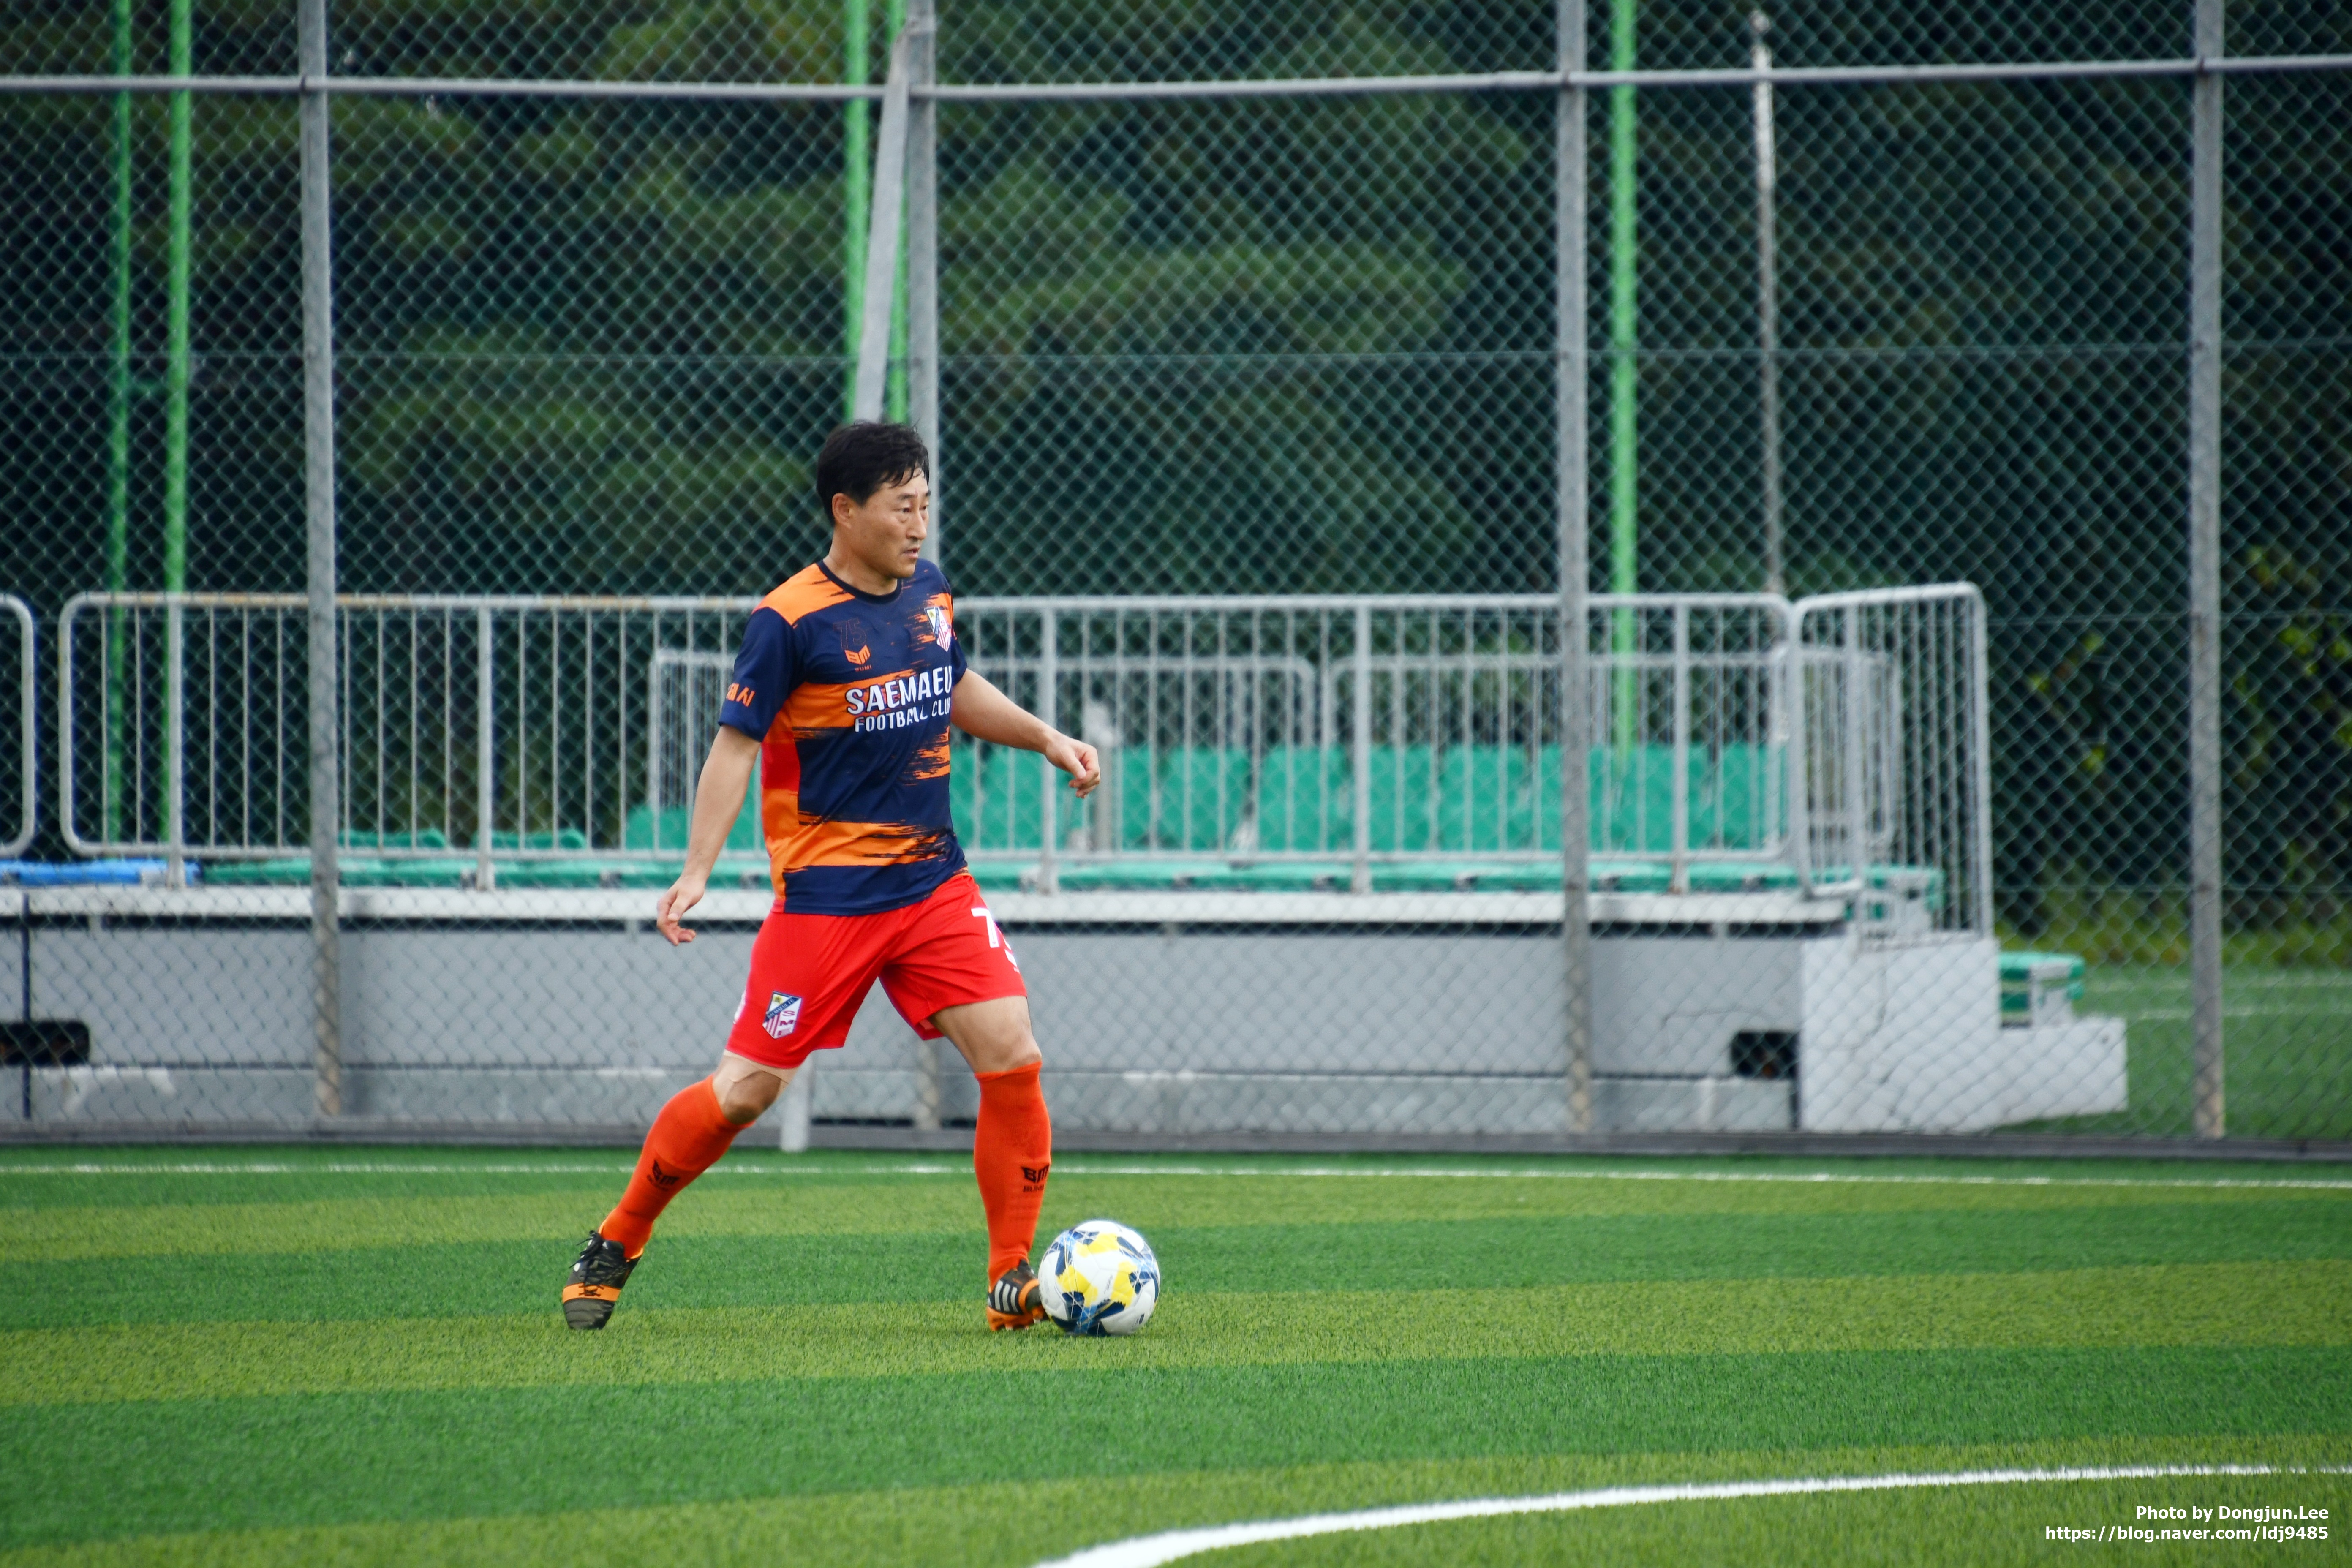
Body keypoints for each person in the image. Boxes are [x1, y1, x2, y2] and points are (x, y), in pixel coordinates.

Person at [561, 420, 1100, 1332]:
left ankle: (1010, 1279)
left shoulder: (929, 590)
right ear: (846, 511)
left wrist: (1047, 737)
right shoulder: (788, 620)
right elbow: (735, 747)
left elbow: (951, 684)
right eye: (901, 508)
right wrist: (698, 867)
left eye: (925, 504)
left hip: (932, 882)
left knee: (1013, 1051)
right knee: (745, 1092)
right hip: (827, 899)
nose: (919, 525)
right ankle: (620, 1233)